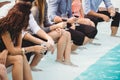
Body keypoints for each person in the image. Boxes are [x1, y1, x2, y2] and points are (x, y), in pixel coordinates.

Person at [0, 1, 47, 80]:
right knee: (18, 58)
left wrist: (6, 51)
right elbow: (13, 51)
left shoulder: (17, 27)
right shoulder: (3, 27)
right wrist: (33, 48)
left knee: (22, 56)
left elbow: (18, 47)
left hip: (3, 53)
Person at [30, 0, 76, 66]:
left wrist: (55, 27)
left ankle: (65, 60)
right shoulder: (35, 9)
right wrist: (55, 26)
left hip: (42, 32)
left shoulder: (44, 4)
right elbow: (37, 30)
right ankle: (33, 66)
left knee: (66, 33)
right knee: (63, 33)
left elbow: (46, 22)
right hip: (33, 36)